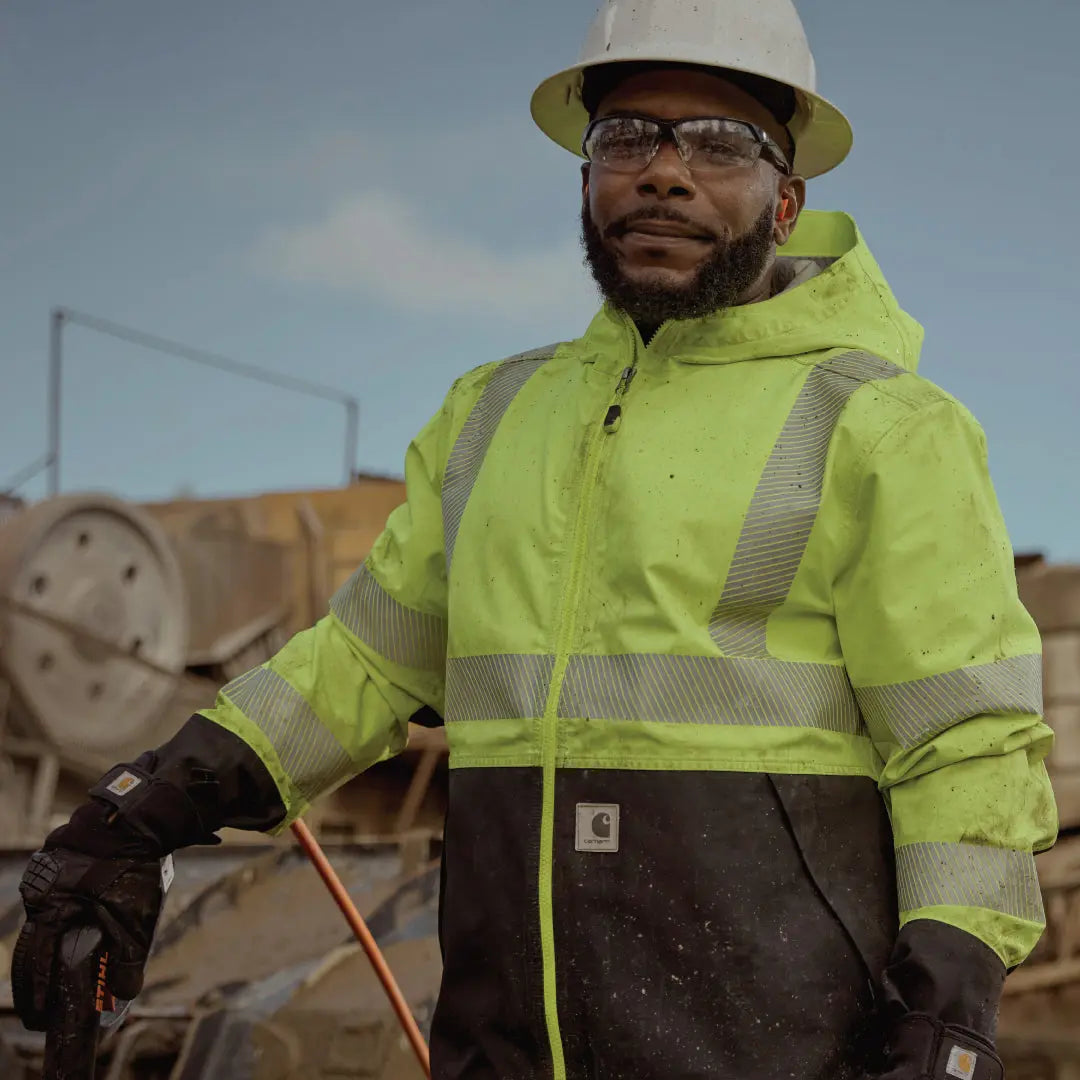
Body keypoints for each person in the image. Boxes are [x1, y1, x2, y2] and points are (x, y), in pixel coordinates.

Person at [12, 1, 1058, 1078]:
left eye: (719, 142)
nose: (663, 170)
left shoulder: (881, 426)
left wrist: (949, 1005)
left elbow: (965, 742)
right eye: (627, 136)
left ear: (786, 201)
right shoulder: (492, 418)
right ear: (586, 181)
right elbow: (363, 664)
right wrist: (137, 815)